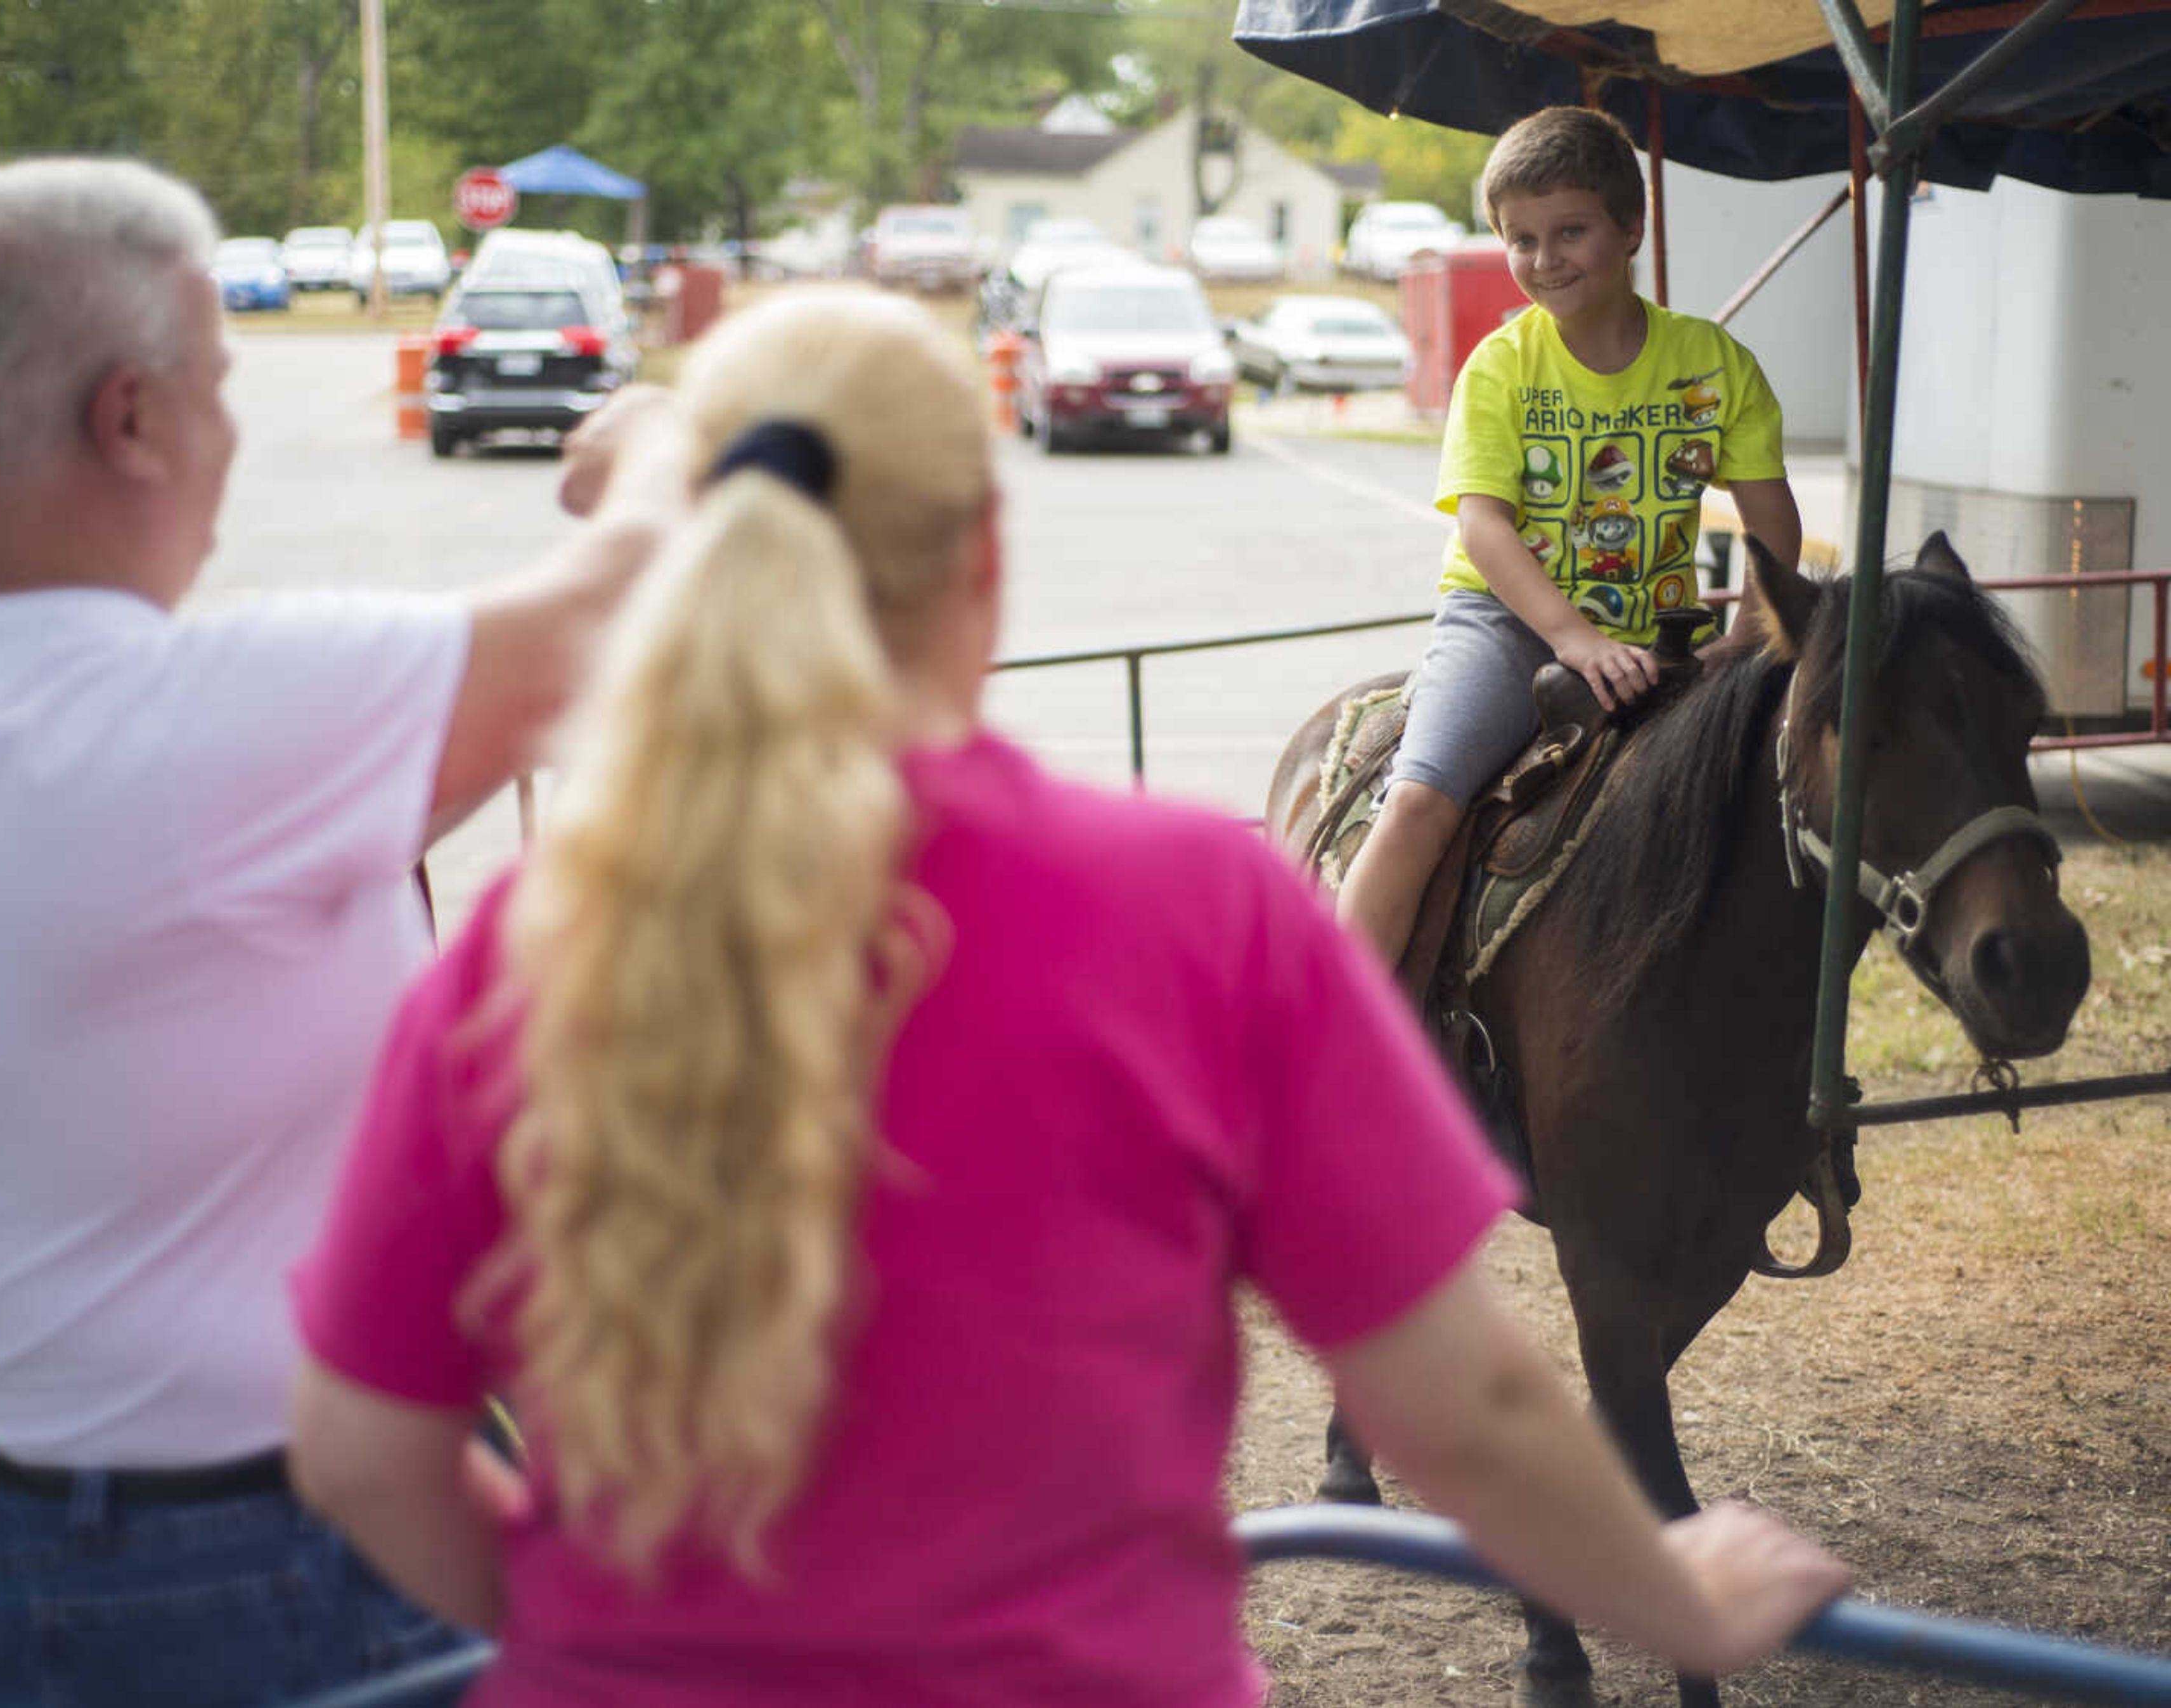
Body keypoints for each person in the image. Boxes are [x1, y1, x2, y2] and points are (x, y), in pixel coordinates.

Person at [285, 283, 1848, 1708]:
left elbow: (360, 1451)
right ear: (983, 559)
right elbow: (1465, 1409)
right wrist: (1675, 1597)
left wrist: (597, 1620)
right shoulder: (1192, 911)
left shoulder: (528, 950)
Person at [0, 157, 682, 1707]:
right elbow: (619, 607)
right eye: (223, 384)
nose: (236, 436)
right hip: (259, 1559)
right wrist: (654, 428)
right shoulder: (190, 725)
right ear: (133, 416)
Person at [1337, 105, 1807, 963]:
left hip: (1658, 638)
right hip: (1510, 625)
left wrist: (1746, 644)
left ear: (1632, 227)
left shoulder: (1713, 363)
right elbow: (1483, 526)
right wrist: (1576, 641)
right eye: (1522, 239)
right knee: (1420, 802)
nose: (1545, 261)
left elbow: (1770, 514)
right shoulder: (1503, 366)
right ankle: (1326, 1024)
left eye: (1570, 231)